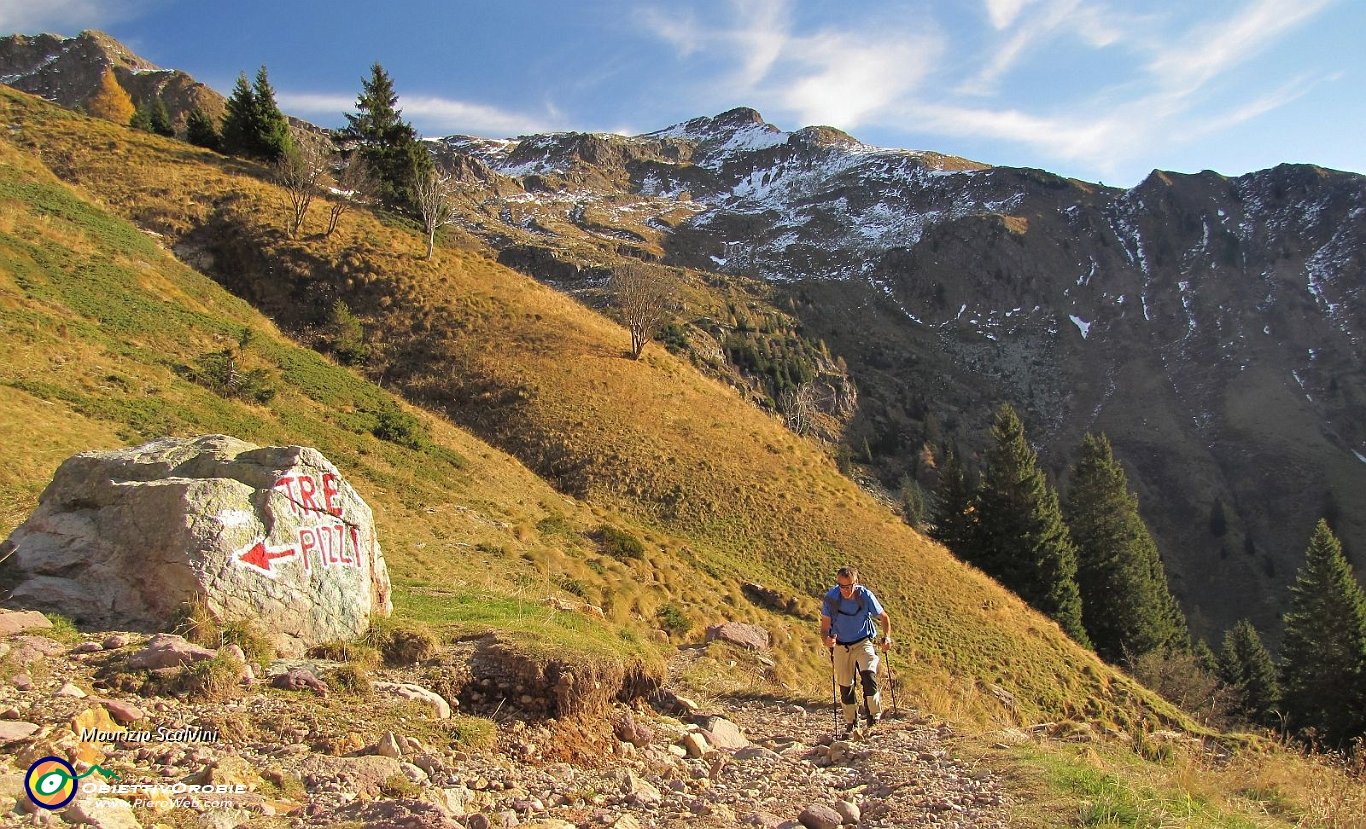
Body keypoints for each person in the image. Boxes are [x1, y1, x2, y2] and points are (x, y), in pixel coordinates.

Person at [820, 565, 892, 736]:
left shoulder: (865, 595)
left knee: (869, 676)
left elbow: (884, 617)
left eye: (849, 585)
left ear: (856, 582)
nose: (845, 590)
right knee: (846, 685)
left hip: (863, 642)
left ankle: (874, 718)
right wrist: (827, 640)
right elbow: (824, 628)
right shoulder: (831, 598)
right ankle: (852, 722)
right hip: (841, 646)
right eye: (841, 586)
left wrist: (887, 637)